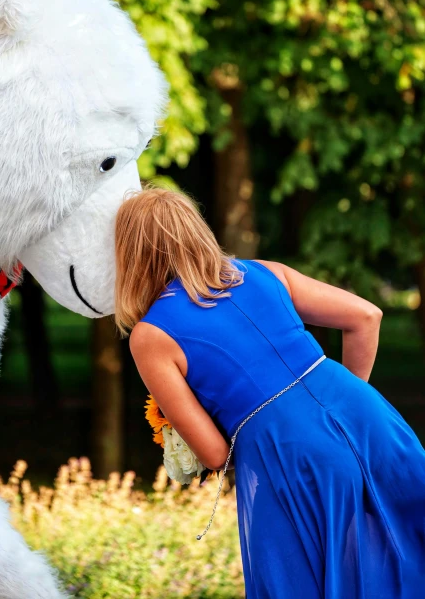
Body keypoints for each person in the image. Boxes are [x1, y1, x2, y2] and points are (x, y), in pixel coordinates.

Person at [115, 186, 425, 599]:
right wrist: (342, 407)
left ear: (131, 254)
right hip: (366, 414)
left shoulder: (151, 336)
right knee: (407, 545)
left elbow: (212, 454)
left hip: (288, 450)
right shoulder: (264, 271)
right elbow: (366, 316)